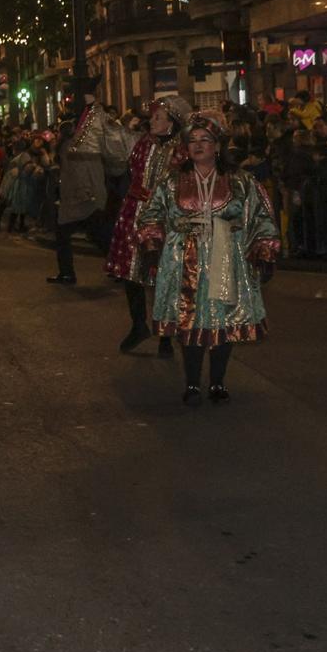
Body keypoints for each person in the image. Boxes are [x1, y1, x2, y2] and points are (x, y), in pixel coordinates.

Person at [137, 110, 281, 406]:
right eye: (193, 140)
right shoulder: (172, 180)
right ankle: (192, 384)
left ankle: (217, 383)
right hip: (182, 258)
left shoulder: (240, 180)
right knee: (188, 321)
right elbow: (150, 215)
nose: (199, 145)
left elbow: (262, 216)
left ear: (218, 145)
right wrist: (152, 246)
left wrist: (265, 251)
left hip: (226, 254)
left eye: (206, 139)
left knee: (222, 320)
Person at [106, 96, 190, 357]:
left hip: (165, 219)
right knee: (131, 273)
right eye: (152, 116)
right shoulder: (142, 143)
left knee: (163, 278)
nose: (151, 121)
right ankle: (138, 325)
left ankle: (166, 336)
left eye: (157, 117)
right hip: (135, 212)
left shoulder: (182, 150)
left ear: (171, 123)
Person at [48, 75, 135, 284]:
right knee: (92, 235)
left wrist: (89, 94)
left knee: (96, 235)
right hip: (79, 195)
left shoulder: (88, 139)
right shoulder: (76, 141)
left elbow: (92, 114)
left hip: (86, 194)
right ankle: (112, 269)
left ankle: (115, 269)